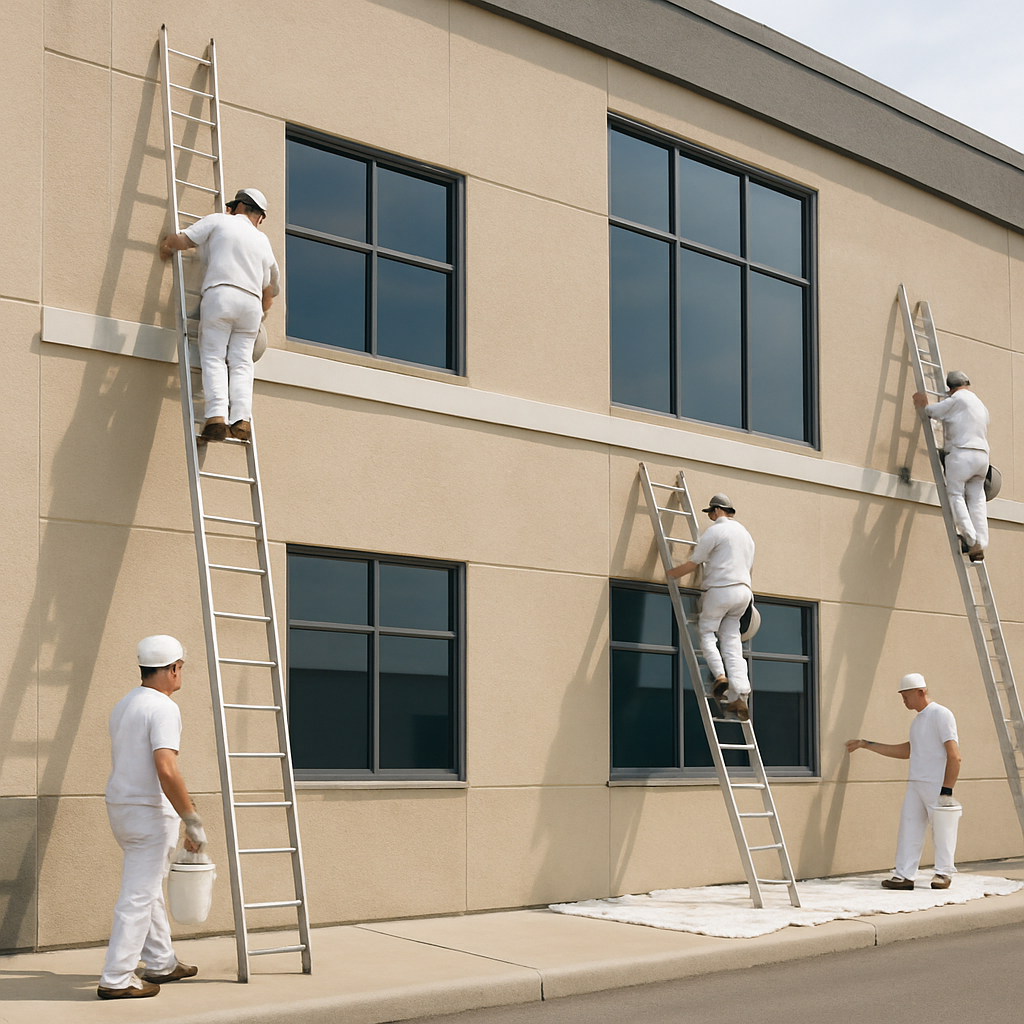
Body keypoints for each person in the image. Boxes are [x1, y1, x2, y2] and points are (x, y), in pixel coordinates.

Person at [97, 635, 208, 999]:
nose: (181, 675)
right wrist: (192, 820)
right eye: (181, 668)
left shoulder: (124, 704)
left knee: (147, 886)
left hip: (122, 811)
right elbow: (166, 768)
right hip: (149, 815)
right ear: (173, 668)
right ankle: (117, 978)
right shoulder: (163, 707)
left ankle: (161, 962)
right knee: (138, 895)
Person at [159, 188, 280, 443]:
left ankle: (216, 418)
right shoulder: (263, 241)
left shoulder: (219, 220)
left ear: (237, 207)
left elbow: (184, 241)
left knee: (213, 355)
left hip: (221, 295)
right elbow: (269, 291)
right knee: (242, 362)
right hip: (251, 305)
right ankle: (241, 420)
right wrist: (261, 313)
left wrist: (167, 245)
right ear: (259, 216)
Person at [845, 673, 961, 891]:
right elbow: (908, 750)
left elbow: (954, 755)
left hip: (937, 785)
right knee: (909, 828)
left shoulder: (941, 714)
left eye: (906, 696)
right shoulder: (918, 721)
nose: (904, 701)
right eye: (902, 697)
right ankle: (904, 876)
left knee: (943, 830)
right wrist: (866, 744)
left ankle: (944, 874)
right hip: (916, 784)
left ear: (921, 692)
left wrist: (947, 790)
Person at [667, 493, 755, 720]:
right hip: (743, 593)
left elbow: (695, 561)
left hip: (721, 590)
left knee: (706, 631)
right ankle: (740, 694)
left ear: (716, 511)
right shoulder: (746, 535)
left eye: (711, 513)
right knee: (732, 641)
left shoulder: (716, 531)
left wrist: (672, 574)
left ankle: (719, 676)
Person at [913, 370, 989, 562]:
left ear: (951, 388)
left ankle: (971, 539)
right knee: (977, 499)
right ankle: (981, 540)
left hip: (962, 453)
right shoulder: (980, 405)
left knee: (956, 495)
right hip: (982, 458)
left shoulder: (958, 399)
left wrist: (923, 405)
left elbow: (934, 412)